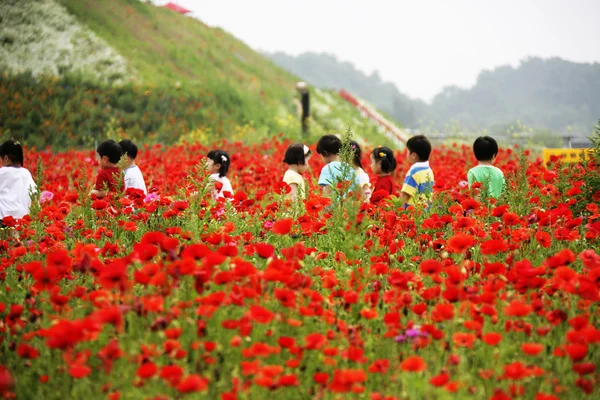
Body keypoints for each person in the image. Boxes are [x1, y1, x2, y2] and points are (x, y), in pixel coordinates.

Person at [0, 140, 36, 223]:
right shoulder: (25, 173)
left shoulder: (2, 172)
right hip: (21, 219)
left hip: (2, 218)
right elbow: (34, 194)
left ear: (6, 158)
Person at [399, 135, 435, 209]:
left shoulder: (414, 172)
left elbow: (405, 194)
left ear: (413, 155)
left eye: (407, 150)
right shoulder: (429, 170)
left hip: (413, 212)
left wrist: (398, 210)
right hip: (426, 210)